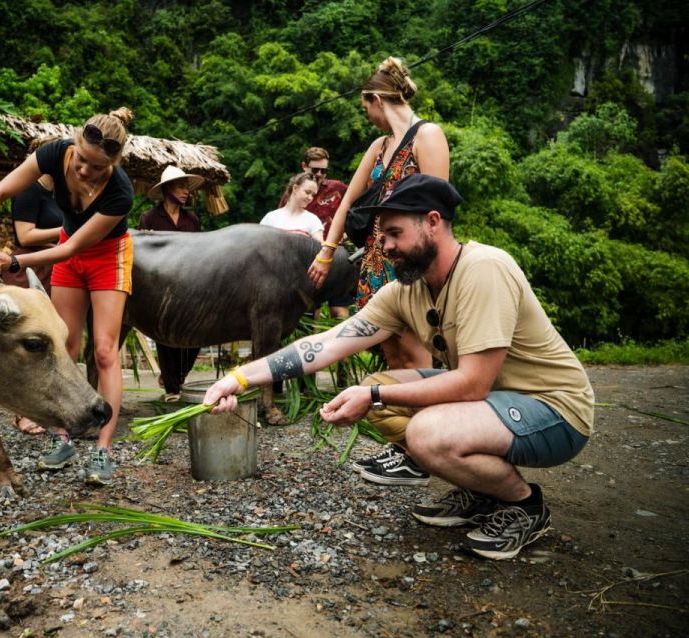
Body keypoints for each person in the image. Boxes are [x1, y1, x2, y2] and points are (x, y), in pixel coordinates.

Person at [205, 174, 594, 560]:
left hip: (554, 411)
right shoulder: (407, 291)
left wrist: (371, 395)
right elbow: (324, 344)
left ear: (433, 222)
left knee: (423, 431)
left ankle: (524, 506)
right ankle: (482, 491)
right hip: (496, 403)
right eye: (382, 236)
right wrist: (238, 378)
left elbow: (472, 385)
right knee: (384, 386)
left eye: (394, 233)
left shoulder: (484, 269)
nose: (385, 247)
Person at [0, 108, 135, 487]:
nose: (83, 170)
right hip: (68, 252)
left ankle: (103, 451)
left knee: (105, 352)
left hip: (108, 255)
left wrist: (14, 260)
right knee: (64, 343)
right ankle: (62, 439)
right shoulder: (52, 153)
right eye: (80, 158)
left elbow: (72, 246)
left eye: (96, 166)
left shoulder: (120, 192)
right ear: (73, 146)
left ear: (112, 164)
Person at [308, 57, 450, 368]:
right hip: (376, 261)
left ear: (376, 99)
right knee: (391, 351)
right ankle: (399, 412)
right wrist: (327, 251)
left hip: (412, 263)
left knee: (416, 350)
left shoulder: (427, 136)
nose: (368, 116)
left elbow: (439, 209)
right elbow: (347, 202)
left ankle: (424, 412)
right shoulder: (379, 147)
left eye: (366, 108)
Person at [2, 172, 64, 434]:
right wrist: (66, 232)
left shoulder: (57, 194)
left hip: (50, 265)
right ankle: (21, 413)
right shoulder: (28, 190)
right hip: (25, 267)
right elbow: (25, 236)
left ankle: (43, 407)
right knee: (25, 341)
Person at [138, 165, 206, 402]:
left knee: (197, 334)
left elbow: (201, 252)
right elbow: (143, 253)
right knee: (165, 336)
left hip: (189, 285)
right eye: (180, 186)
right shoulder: (149, 218)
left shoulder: (192, 219)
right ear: (167, 189)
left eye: (187, 187)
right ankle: (172, 389)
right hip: (161, 286)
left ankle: (176, 377)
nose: (185, 191)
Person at [278, 147, 350, 318]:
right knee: (309, 311)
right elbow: (282, 221)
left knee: (339, 311)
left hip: (336, 255)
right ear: (304, 166)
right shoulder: (293, 193)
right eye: (315, 170)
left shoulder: (338, 188)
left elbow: (356, 207)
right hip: (307, 258)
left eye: (324, 170)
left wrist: (348, 232)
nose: (319, 174)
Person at [261, 172, 323, 240]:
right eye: (307, 192)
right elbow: (258, 244)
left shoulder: (313, 220)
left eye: (313, 195)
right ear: (295, 188)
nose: (310, 198)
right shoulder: (271, 217)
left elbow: (320, 248)